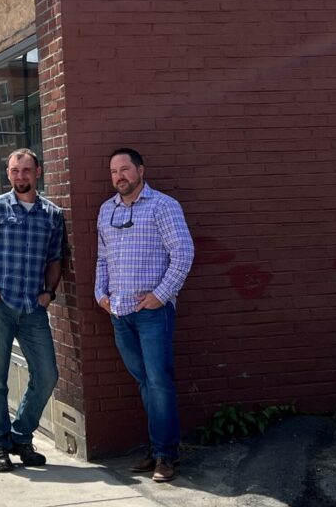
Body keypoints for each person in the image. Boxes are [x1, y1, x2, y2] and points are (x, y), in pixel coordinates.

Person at [95, 147, 194, 484]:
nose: (118, 177)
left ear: (140, 170)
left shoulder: (163, 206)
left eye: (124, 169)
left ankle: (166, 454)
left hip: (153, 314)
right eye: (113, 171)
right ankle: (157, 449)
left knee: (159, 381)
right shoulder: (106, 210)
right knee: (144, 382)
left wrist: (159, 296)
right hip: (119, 313)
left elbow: (183, 254)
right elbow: (102, 258)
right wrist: (100, 295)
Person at [0, 148, 64, 473]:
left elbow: (55, 259)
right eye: (14, 171)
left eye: (25, 170)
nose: (19, 176)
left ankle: (21, 436)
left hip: (33, 309)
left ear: (37, 172)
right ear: (8, 174)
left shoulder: (52, 214)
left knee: (48, 374)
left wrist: (49, 293)